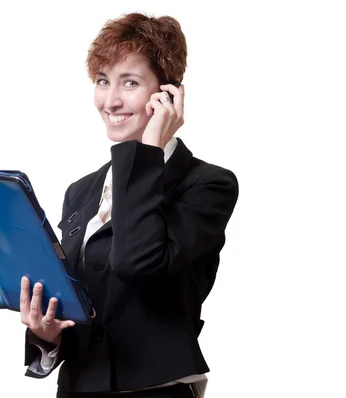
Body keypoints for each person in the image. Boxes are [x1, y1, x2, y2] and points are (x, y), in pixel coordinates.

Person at [19, 12, 239, 398]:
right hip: (79, 388)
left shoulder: (208, 185)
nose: (111, 100)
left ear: (167, 93)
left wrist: (149, 151)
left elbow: (136, 263)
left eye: (130, 82)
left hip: (158, 390)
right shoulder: (82, 191)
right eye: (103, 81)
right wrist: (46, 333)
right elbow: (81, 304)